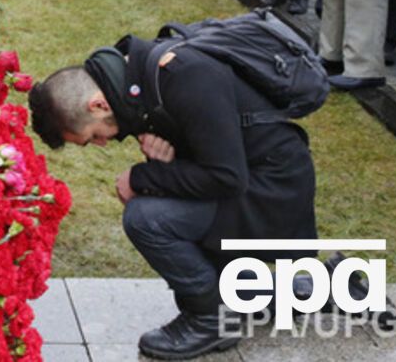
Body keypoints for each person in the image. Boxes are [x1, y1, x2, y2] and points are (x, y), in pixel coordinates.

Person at [28, 34, 317, 360]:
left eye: (93, 136)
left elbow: (227, 177)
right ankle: (253, 292)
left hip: (272, 195)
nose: (103, 143)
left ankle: (210, 320)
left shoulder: (185, 78)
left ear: (98, 104)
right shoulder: (143, 77)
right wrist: (168, 164)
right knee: (158, 207)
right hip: (253, 182)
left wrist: (143, 177)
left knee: (147, 219)